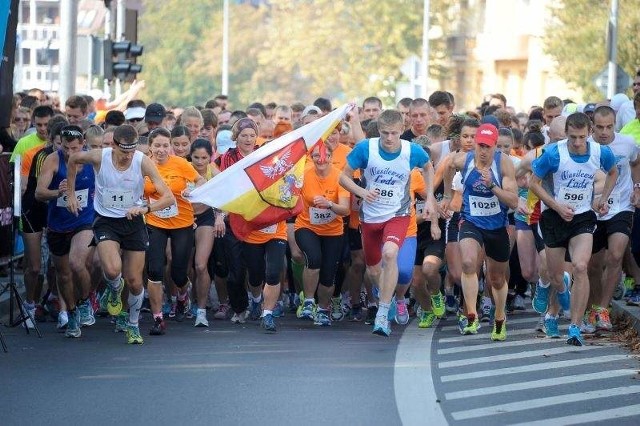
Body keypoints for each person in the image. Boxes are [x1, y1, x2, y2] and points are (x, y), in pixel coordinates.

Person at [66, 124, 175, 344]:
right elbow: (73, 159)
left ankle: (132, 325)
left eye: (132, 151)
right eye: (124, 151)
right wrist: (70, 193)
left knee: (134, 280)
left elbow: (168, 197)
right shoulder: (100, 157)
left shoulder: (142, 161)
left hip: (133, 221)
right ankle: (114, 289)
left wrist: (146, 209)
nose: (128, 156)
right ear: (114, 145)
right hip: (106, 221)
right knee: (113, 269)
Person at [339, 110, 437, 336]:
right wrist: (362, 191)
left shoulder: (411, 150)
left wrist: (430, 197)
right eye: (385, 133)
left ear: (402, 131)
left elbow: (428, 167)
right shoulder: (366, 148)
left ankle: (382, 313)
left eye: (394, 133)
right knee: (373, 271)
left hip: (398, 214)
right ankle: (387, 296)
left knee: (390, 254)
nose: (390, 138)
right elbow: (342, 177)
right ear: (379, 130)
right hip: (370, 217)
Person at [530, 112, 618, 346]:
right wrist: (557, 206)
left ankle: (575, 327)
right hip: (554, 217)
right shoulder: (553, 154)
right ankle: (547, 285)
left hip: (582, 217)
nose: (577, 143)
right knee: (558, 277)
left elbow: (613, 172)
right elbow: (533, 183)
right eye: (572, 138)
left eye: (581, 137)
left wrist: (603, 199)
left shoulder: (600, 152)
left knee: (580, 266)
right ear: (566, 134)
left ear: (589, 133)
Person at [443, 123, 518, 340]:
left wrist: (492, 185)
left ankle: (500, 317)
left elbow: (513, 201)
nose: (483, 151)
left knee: (496, 278)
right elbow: (448, 166)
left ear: (495, 146)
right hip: (470, 221)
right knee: (468, 263)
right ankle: (471, 315)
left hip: (496, 226)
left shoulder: (503, 164)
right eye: (480, 146)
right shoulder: (464, 160)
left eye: (488, 146)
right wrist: (447, 196)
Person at [35, 125, 97, 337]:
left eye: (75, 148)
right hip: (58, 224)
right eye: (66, 148)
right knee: (63, 274)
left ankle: (85, 302)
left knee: (77, 263)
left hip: (84, 220)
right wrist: (57, 192)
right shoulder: (53, 160)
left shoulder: (90, 160)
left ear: (83, 145)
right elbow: (39, 193)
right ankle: (71, 314)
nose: (70, 153)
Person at [143, 128, 205, 334]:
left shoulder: (180, 163)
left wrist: (194, 190)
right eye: (157, 146)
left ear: (170, 146)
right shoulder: (143, 164)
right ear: (150, 146)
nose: (161, 150)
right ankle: (158, 318)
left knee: (179, 272)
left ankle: (181, 296)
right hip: (154, 222)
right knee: (154, 269)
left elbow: (200, 180)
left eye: (165, 145)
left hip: (182, 222)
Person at [585, 106, 640, 332]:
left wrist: (637, 187)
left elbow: (636, 162)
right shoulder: (585, 145)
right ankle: (593, 308)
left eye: (609, 127)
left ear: (615, 124)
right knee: (593, 265)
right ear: (592, 126)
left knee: (616, 254)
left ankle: (603, 310)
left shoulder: (627, 143)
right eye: (600, 127)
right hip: (593, 209)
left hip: (622, 206)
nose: (605, 132)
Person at [295, 143, 350, 325]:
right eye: (316, 156)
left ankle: (323, 309)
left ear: (331, 157)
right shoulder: (304, 174)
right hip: (306, 226)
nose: (321, 159)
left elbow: (345, 210)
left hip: (333, 231)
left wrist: (330, 204)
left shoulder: (339, 177)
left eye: (325, 155)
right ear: (311, 157)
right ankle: (309, 301)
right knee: (314, 259)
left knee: (328, 273)